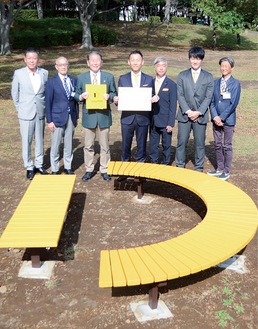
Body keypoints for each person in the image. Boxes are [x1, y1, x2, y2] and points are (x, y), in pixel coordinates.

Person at [74, 50, 117, 181]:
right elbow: (75, 94)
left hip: (104, 115)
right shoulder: (81, 77)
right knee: (88, 145)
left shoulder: (108, 77)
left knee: (105, 145)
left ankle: (104, 169)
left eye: (97, 60)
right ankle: (89, 168)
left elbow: (114, 93)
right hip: (89, 115)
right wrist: (81, 96)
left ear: (101, 62)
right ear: (88, 63)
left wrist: (110, 96)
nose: (95, 63)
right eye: (92, 60)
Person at [11, 47, 49, 180]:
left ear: (38, 59)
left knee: (39, 139)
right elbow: (15, 93)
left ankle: (39, 164)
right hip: (25, 112)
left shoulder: (44, 73)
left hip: (39, 111)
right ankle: (28, 166)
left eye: (34, 58)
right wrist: (19, 108)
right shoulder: (19, 73)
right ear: (25, 59)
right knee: (26, 141)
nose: (32, 61)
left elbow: (45, 93)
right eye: (29, 58)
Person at [175, 46, 214, 172]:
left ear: (202, 59)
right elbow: (180, 95)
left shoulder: (208, 77)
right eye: (192, 58)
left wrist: (198, 112)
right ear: (189, 59)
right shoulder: (182, 75)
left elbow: (208, 97)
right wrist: (188, 111)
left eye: (197, 58)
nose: (195, 61)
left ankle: (198, 167)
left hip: (200, 116)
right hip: (184, 115)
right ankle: (180, 165)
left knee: (199, 143)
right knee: (181, 142)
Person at [114, 50, 155, 166]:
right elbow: (120, 98)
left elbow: (152, 95)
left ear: (142, 62)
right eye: (133, 60)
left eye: (138, 60)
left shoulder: (149, 79)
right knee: (125, 145)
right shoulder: (123, 78)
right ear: (129, 62)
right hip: (127, 118)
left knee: (141, 145)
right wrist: (117, 101)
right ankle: (124, 169)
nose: (135, 63)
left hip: (143, 118)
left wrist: (153, 98)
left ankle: (140, 171)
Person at [208, 57, 241, 181]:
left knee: (227, 145)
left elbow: (233, 103)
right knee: (217, 144)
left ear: (231, 68)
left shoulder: (235, 84)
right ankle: (219, 168)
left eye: (226, 66)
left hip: (228, 120)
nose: (224, 68)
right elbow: (211, 102)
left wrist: (222, 117)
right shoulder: (216, 83)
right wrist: (215, 116)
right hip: (216, 119)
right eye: (222, 66)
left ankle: (226, 171)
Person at [45, 56, 79, 175]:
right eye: (61, 65)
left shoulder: (73, 80)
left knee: (69, 143)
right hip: (57, 118)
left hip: (71, 116)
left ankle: (68, 166)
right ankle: (55, 168)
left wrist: (76, 117)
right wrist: (49, 120)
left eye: (65, 64)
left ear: (68, 66)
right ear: (56, 66)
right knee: (55, 144)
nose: (63, 67)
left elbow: (75, 101)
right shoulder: (51, 82)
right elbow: (48, 102)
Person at [149, 56, 177, 165]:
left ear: (167, 68)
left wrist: (171, 123)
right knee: (153, 144)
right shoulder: (150, 82)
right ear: (154, 67)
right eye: (158, 66)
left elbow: (173, 105)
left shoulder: (171, 84)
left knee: (166, 144)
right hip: (152, 120)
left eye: (163, 66)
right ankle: (153, 162)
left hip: (166, 121)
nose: (161, 68)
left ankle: (166, 163)